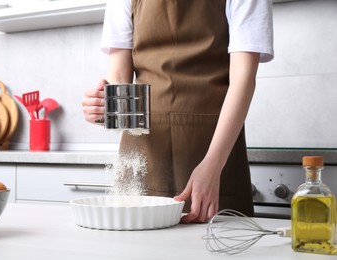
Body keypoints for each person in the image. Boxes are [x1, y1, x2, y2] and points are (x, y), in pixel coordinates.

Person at [82, 0, 274, 223]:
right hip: (142, 154)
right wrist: (103, 106)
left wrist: (213, 165)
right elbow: (118, 77)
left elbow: (242, 79)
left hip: (213, 152)